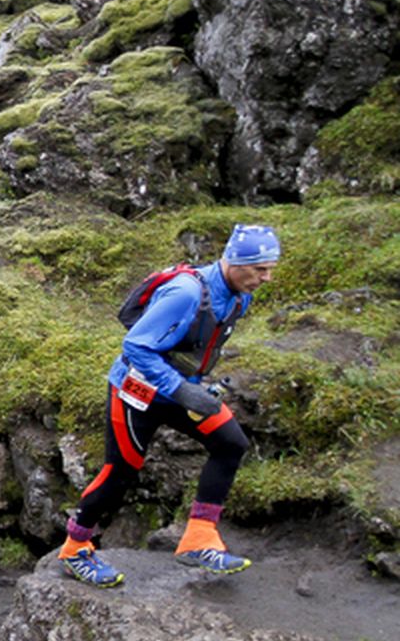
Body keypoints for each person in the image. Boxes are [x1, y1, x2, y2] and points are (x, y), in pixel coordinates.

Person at [56, 224, 279, 587]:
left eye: (271, 269)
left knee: (231, 442)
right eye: (260, 269)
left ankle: (198, 540)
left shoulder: (240, 296)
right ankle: (74, 548)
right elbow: (136, 346)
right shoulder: (186, 292)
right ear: (236, 261)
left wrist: (195, 387)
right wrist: (180, 389)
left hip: (182, 390)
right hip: (135, 392)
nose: (267, 278)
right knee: (121, 472)